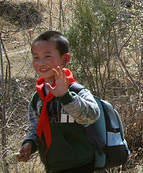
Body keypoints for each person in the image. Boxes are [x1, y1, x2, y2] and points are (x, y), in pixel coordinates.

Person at [17, 31, 100, 173]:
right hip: (52, 167)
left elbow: (92, 116)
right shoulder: (38, 97)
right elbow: (37, 128)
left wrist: (65, 96)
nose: (41, 62)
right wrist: (30, 144)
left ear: (64, 59)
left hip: (80, 164)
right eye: (36, 57)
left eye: (47, 56)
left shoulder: (76, 91)